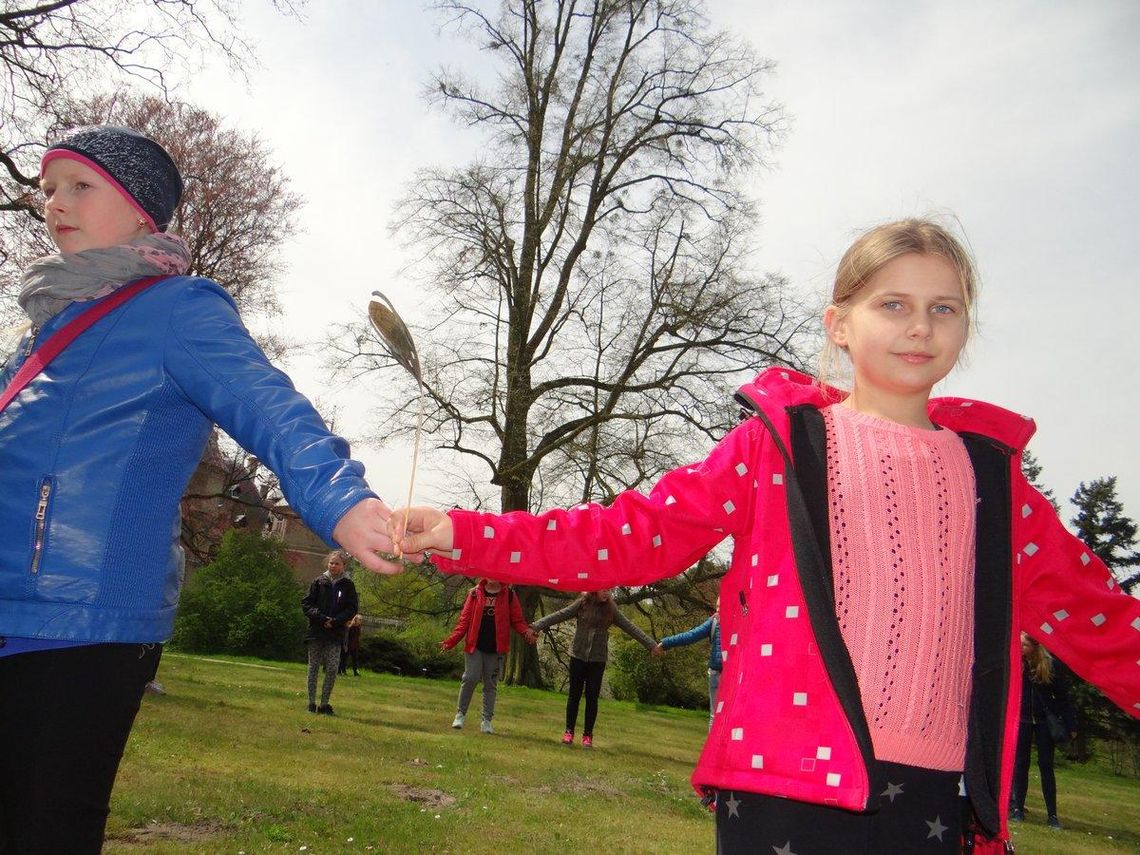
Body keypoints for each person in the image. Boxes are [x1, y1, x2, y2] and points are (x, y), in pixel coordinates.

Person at [390, 218, 1140, 854]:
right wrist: (464, 532)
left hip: (939, 798)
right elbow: (630, 534)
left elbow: (1099, 618)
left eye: (945, 308)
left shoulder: (996, 481)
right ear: (840, 324)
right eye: (894, 303)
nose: (920, 325)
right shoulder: (779, 448)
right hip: (784, 784)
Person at [0, 125, 401, 852]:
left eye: (80, 185)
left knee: (44, 829)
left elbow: (270, 405)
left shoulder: (177, 310)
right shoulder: (44, 332)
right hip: (10, 605)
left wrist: (341, 499)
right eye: (49, 186)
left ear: (140, 210)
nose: (55, 201)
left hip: (85, 621)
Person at [528, 588, 657, 748]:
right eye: (604, 590)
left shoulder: (611, 609)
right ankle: (569, 731)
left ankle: (587, 735)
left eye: (609, 590)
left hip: (597, 659)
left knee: (592, 697)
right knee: (574, 695)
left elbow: (630, 627)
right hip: (578, 655)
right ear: (595, 589)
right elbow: (559, 615)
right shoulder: (582, 603)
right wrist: (536, 626)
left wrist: (651, 645)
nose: (607, 593)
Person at [440, 577, 534, 734]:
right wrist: (450, 642)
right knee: (470, 677)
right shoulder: (474, 593)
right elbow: (464, 621)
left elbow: (517, 620)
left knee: (490, 685)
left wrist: (526, 632)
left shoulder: (509, 595)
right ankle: (460, 715)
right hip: (475, 646)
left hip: (496, 648)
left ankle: (486, 721)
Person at [1009, 632, 1077, 830]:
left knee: (1046, 765)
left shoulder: (1049, 666)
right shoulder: (1017, 664)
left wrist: (1071, 725)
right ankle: (1018, 809)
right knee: (1021, 764)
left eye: (1024, 646)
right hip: (1022, 720)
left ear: (1034, 647)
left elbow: (1063, 698)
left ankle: (1052, 815)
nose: (1021, 649)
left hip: (1045, 722)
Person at [303, 551, 359, 714]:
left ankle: (324, 704)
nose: (333, 566)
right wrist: (321, 618)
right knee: (313, 667)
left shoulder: (348, 585)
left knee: (333, 668)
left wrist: (336, 621)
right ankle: (311, 703)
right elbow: (307, 604)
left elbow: (352, 608)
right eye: (331, 563)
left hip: (335, 634)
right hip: (316, 631)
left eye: (337, 563)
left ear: (344, 566)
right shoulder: (318, 582)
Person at [655, 597, 722, 727]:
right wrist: (666, 643)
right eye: (717, 606)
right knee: (716, 717)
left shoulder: (733, 621)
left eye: (721, 606)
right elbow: (691, 635)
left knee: (721, 717)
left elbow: (691, 636)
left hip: (728, 676)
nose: (718, 610)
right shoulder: (714, 622)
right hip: (717, 674)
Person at [339, 612, 364, 676]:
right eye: (360, 619)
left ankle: (355, 672)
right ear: (355, 619)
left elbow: (358, 637)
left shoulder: (358, 627)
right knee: (344, 659)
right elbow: (346, 636)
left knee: (355, 659)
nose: (361, 621)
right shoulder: (350, 627)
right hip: (348, 645)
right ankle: (341, 670)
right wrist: (345, 645)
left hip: (354, 646)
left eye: (361, 620)